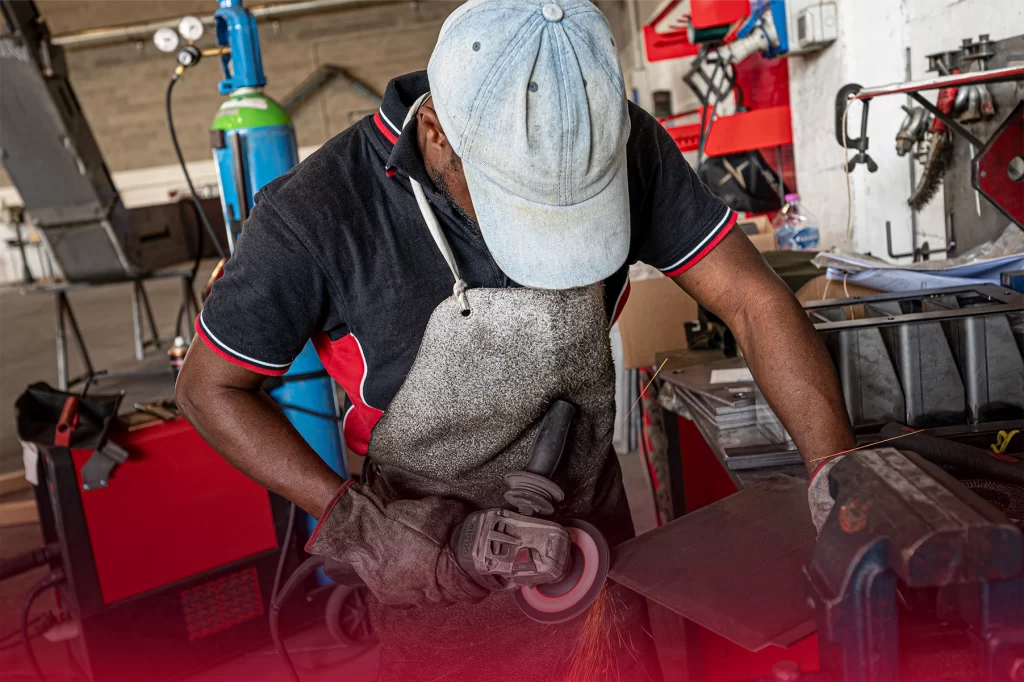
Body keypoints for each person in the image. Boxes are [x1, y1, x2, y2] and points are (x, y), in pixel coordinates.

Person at [175, 0, 856, 679]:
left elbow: (751, 298)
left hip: (595, 539)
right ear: (437, 135)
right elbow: (209, 389)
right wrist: (360, 522)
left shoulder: (624, 144)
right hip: (435, 562)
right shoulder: (316, 213)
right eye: (520, 205)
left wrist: (834, 469)